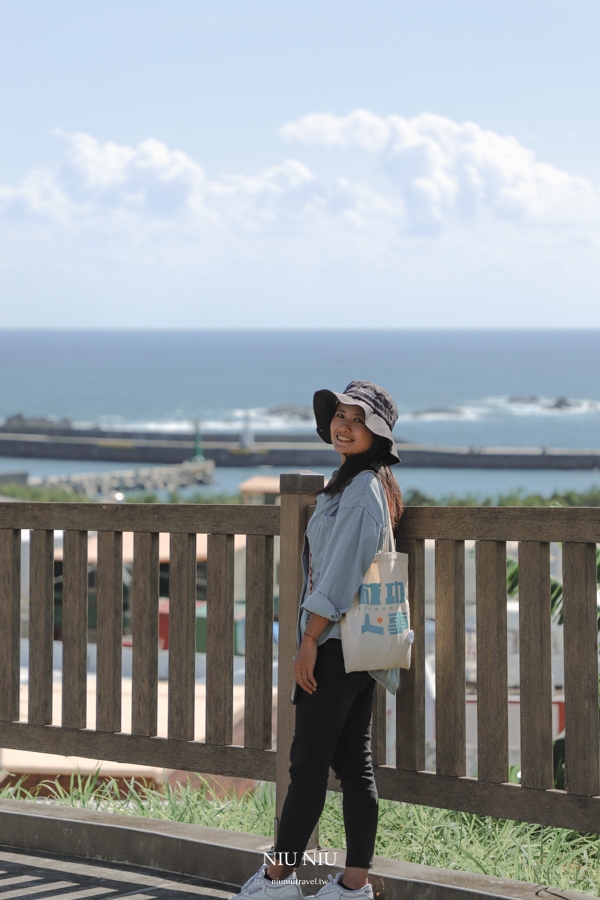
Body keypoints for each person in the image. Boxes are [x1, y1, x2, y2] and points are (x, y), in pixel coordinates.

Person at [234, 381, 403, 900]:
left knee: (306, 764)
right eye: (340, 416)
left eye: (358, 419)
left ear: (377, 433)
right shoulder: (353, 483)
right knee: (354, 765)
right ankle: (353, 886)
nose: (344, 425)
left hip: (334, 645)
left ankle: (278, 878)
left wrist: (309, 638)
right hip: (357, 649)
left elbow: (338, 576)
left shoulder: (360, 492)